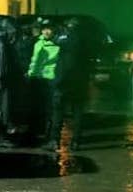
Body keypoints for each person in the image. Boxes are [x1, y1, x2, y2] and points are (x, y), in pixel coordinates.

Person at [52, 17, 91, 151]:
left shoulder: (64, 37)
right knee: (78, 113)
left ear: (69, 26)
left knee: (58, 111)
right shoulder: (85, 39)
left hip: (63, 80)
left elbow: (55, 42)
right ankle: (76, 142)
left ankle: (55, 141)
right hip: (80, 81)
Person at [26, 22, 60, 150]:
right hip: (38, 78)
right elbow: (34, 60)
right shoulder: (38, 43)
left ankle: (47, 134)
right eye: (44, 29)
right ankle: (38, 133)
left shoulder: (57, 44)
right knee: (38, 107)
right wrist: (31, 74)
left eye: (49, 29)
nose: (46, 32)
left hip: (50, 79)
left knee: (49, 108)